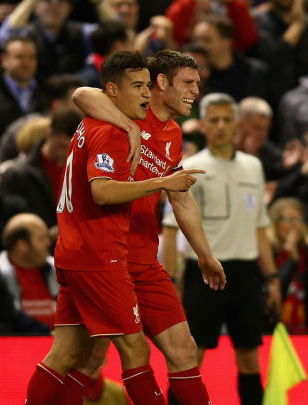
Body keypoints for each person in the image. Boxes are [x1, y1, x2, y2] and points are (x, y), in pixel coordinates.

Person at [24, 51, 205, 405]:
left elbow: (85, 95)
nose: (144, 93)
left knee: (72, 354)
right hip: (100, 254)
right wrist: (162, 182)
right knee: (134, 349)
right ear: (112, 91)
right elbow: (103, 191)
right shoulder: (110, 129)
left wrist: (204, 254)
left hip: (84, 251)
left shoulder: (113, 124)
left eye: (146, 86)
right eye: (138, 86)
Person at [70, 49, 226, 405]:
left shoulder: (172, 133)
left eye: (198, 84)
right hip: (106, 256)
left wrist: (204, 256)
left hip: (144, 259)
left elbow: (181, 197)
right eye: (188, 83)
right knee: (91, 358)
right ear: (161, 83)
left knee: (183, 348)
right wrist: (128, 126)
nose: (195, 92)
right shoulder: (123, 113)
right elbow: (81, 93)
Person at [162, 92, 280, 405]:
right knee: (191, 356)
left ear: (237, 124)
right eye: (214, 120)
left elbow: (261, 227)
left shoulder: (253, 166)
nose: (221, 126)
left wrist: (272, 278)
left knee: (249, 356)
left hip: (246, 273)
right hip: (203, 272)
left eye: (227, 119)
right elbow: (170, 231)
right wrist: (172, 281)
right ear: (202, 124)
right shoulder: (189, 168)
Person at [0, 107, 83, 235]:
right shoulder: (17, 174)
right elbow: (12, 221)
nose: (65, 152)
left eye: (72, 147)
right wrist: (46, 234)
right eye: (61, 145)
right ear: (49, 133)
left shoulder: (83, 169)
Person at [267, 197, 308, 334]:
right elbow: (276, 294)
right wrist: (292, 260)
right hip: (272, 330)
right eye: (289, 219)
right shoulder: (268, 253)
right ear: (275, 222)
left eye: (299, 220)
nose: (295, 225)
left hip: (305, 331)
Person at [0, 36, 48, 145]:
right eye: (19, 57)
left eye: (32, 57)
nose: (26, 63)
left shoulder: (47, 89)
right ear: (4, 60)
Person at [0, 213, 57, 331]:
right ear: (22, 245)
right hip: (22, 345)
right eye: (41, 238)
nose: (48, 243)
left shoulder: (56, 269)